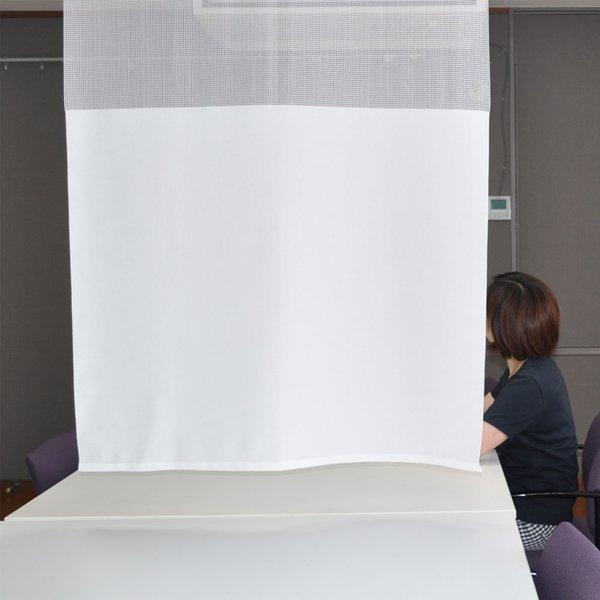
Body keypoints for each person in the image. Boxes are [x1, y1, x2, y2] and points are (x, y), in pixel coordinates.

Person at [481, 272, 578, 551]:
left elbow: (468, 445)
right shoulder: (527, 368)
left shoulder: (530, 384)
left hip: (537, 522)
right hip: (525, 500)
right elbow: (479, 411)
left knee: (456, 538)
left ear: (501, 325)